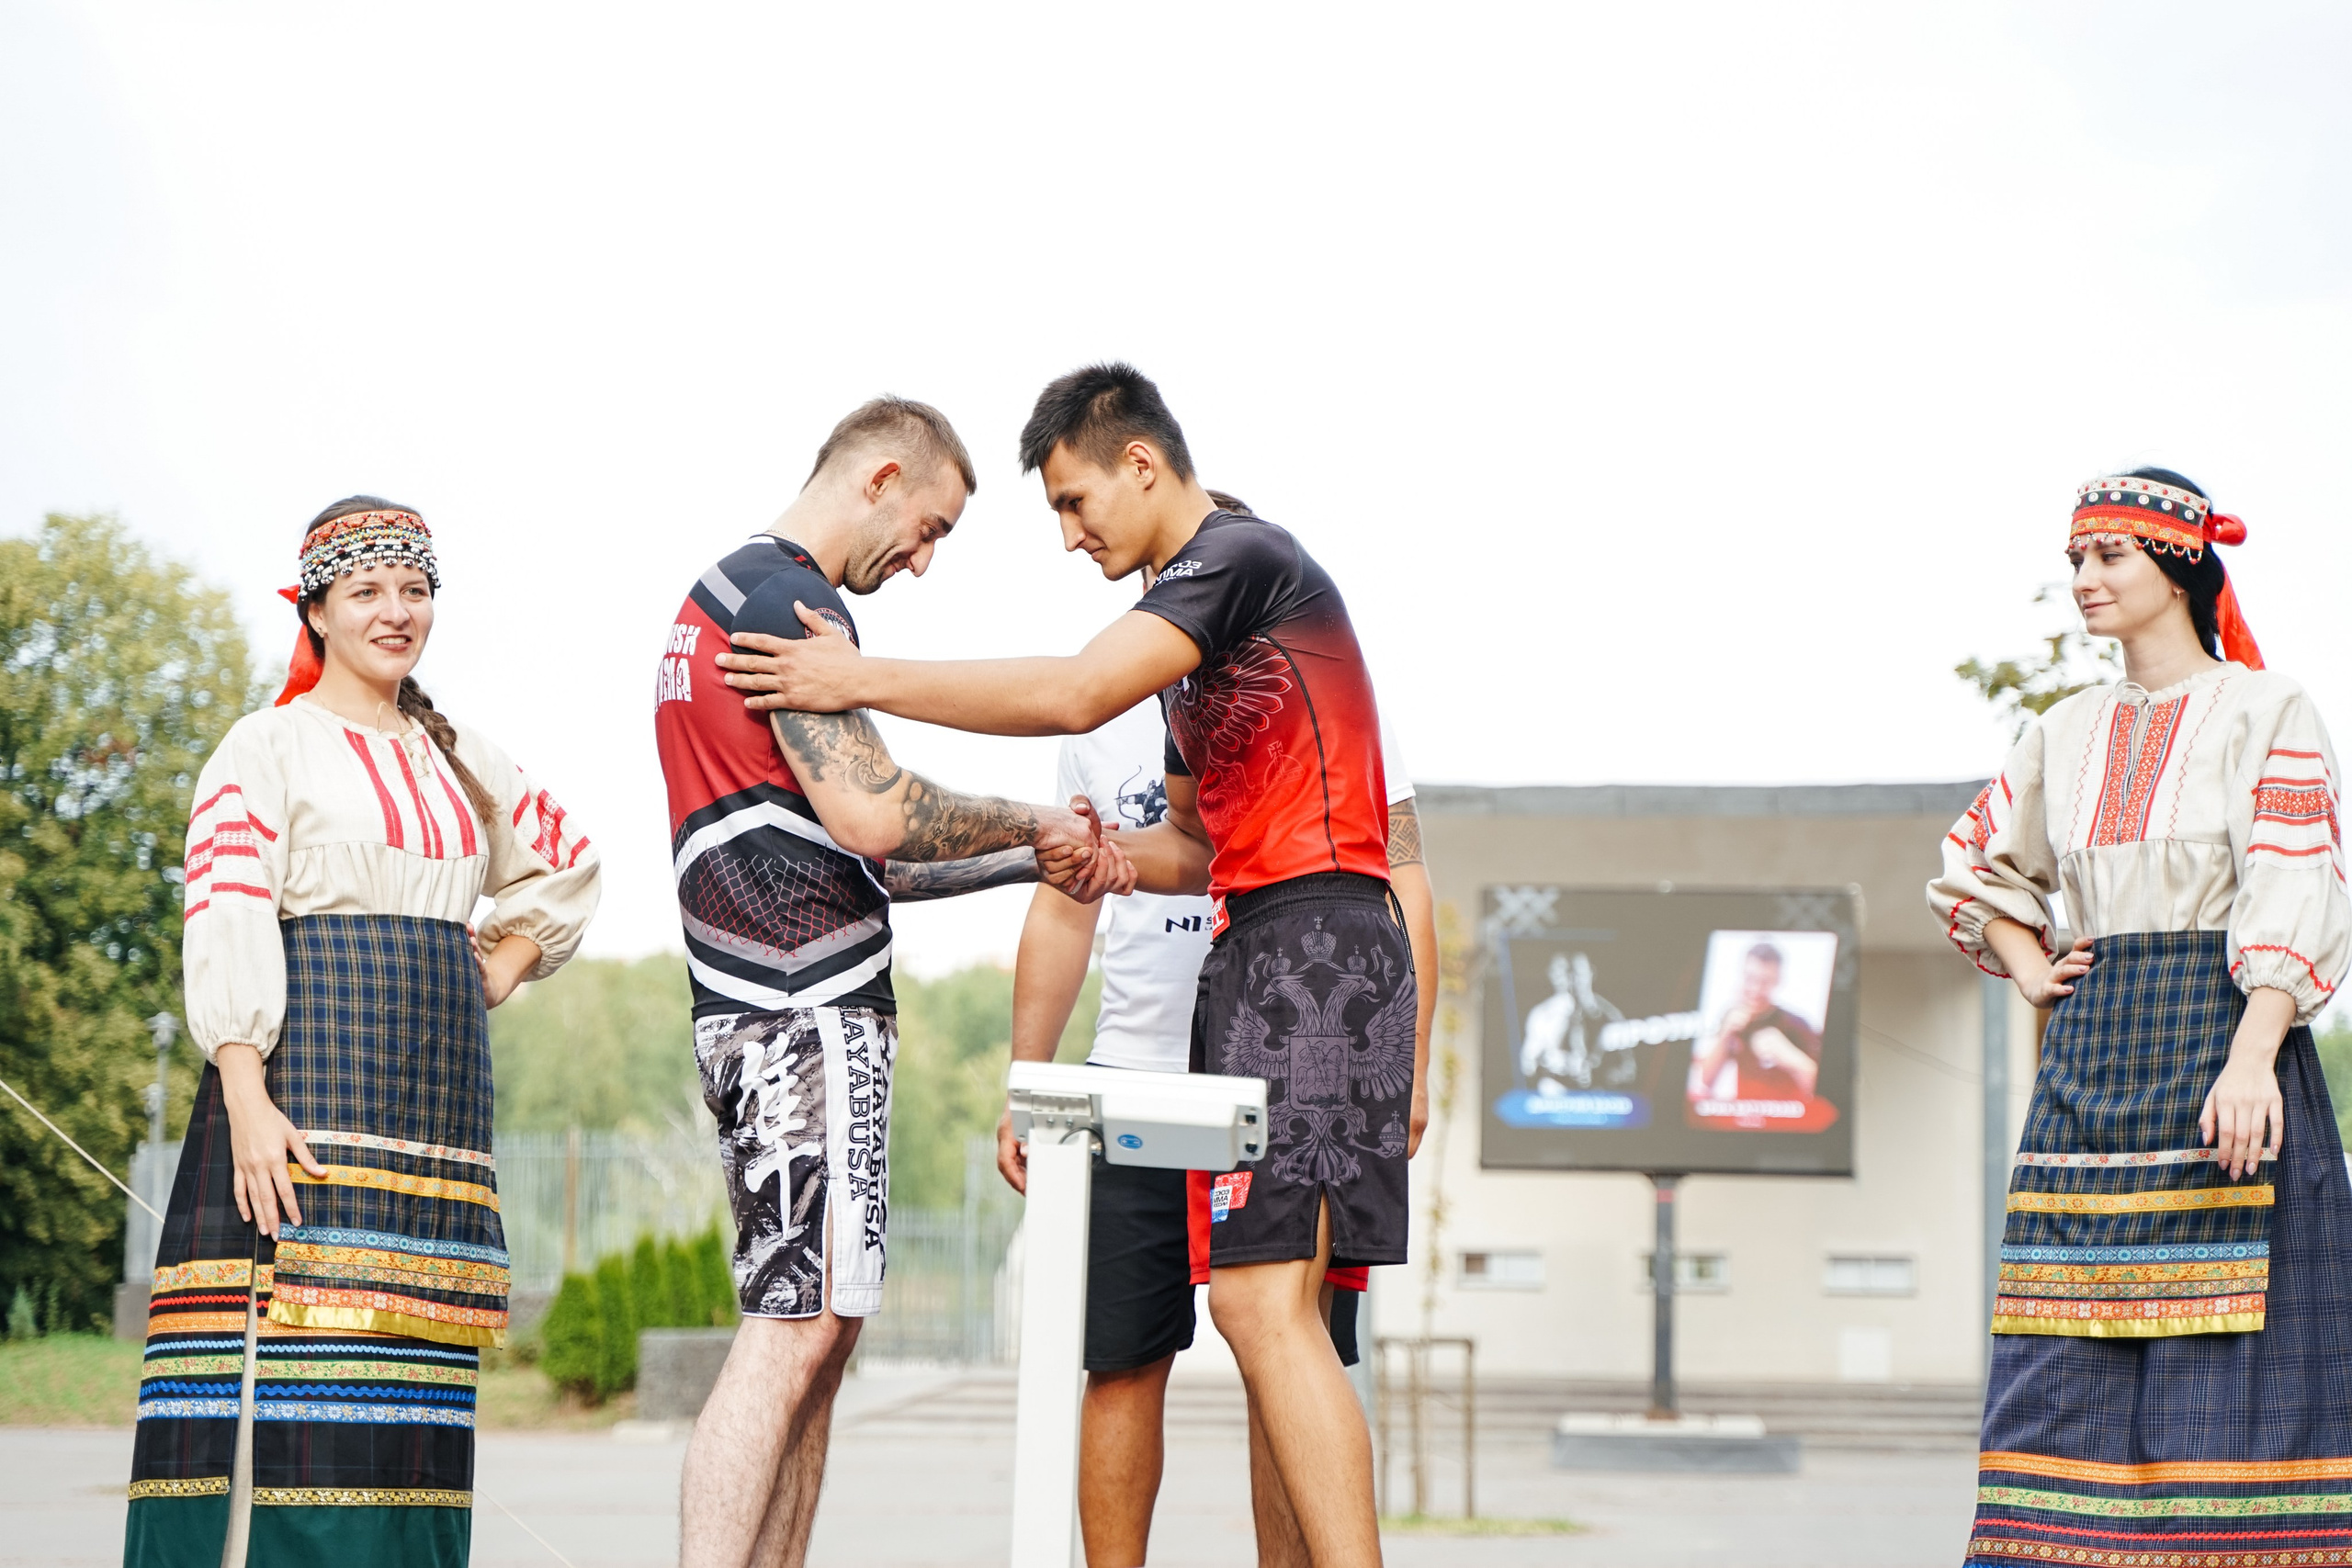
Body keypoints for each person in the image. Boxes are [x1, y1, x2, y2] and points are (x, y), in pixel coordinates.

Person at [720, 366, 1419, 1564]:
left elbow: (1071, 691)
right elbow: (1194, 847)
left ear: (1142, 463)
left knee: (1265, 1308)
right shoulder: (1203, 665)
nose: (1068, 531)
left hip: (1324, 944)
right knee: (1244, 1316)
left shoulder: (1243, 555)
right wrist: (1071, 851)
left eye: (1074, 499)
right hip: (1251, 948)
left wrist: (858, 679)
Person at [654, 396, 1123, 1568]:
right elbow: (874, 807)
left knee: (822, 1336)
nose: (918, 563)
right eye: (928, 528)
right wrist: (1038, 814)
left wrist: (1033, 856)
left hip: (760, 1009)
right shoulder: (791, 606)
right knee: (793, 1331)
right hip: (802, 1014)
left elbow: (856, 852)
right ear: (878, 476)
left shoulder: (715, 603)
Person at [128, 497, 603, 1567]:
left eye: (415, 589)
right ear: (317, 610)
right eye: (368, 592)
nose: (397, 612)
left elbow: (567, 863)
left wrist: (506, 964)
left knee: (414, 1410)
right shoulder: (267, 748)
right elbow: (227, 909)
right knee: (305, 1395)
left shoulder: (459, 755)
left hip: (435, 1124)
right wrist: (245, 1095)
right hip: (308, 1103)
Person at [993, 484, 1436, 1566]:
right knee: (1127, 1356)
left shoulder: (1310, 687)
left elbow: (1405, 881)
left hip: (1288, 1043)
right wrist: (1025, 1070)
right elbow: (1079, 898)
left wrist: (1410, 1064)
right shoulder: (1140, 718)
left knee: (1276, 1341)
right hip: (1142, 1066)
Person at [1928, 468, 2352, 1566]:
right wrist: (2026, 967)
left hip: (2227, 1048)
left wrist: (2254, 1053)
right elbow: (1973, 867)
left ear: (2177, 564)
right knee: (2059, 1346)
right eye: (2075, 560)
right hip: (2092, 1058)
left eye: (2108, 556)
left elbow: (2295, 878)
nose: (2084, 580)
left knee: (2235, 1361)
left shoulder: (2269, 706)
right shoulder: (2061, 729)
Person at [1687, 942, 1820, 1102]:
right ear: (1742, 975)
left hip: (1785, 1117)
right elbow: (1706, 1081)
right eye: (1750, 978)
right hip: (1743, 1116)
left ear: (1777, 980)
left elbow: (1821, 1089)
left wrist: (1790, 1057)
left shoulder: (1796, 1023)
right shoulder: (1731, 1016)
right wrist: (1725, 1035)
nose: (1755, 988)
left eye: (1765, 981)